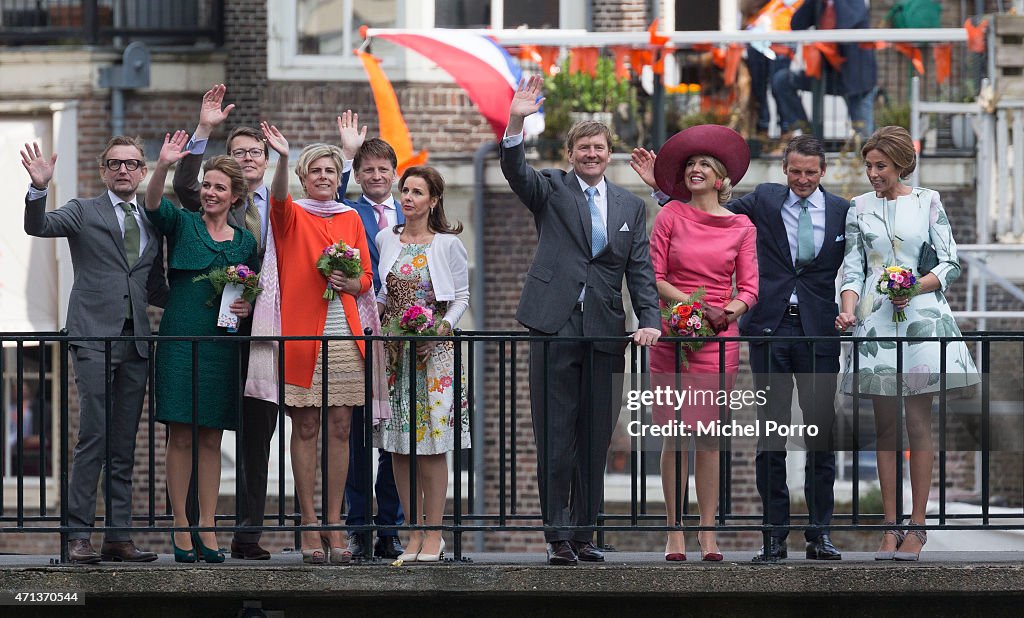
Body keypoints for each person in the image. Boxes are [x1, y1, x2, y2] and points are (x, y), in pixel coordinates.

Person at [632, 134, 849, 562]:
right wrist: (662, 189)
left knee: (819, 433)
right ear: (784, 170)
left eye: (811, 172)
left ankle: (818, 533)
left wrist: (726, 312)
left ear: (823, 173)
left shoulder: (845, 211)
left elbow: (859, 262)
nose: (802, 178)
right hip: (754, 330)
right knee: (766, 436)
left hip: (810, 331)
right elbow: (700, 218)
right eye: (795, 171)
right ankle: (770, 537)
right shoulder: (763, 203)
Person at [501, 75, 662, 566]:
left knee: (595, 437)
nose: (592, 154)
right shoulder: (549, 188)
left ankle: (585, 533)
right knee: (555, 435)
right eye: (583, 147)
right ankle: (557, 536)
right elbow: (515, 170)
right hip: (552, 325)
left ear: (609, 154)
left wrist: (649, 318)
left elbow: (640, 272)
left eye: (599, 147)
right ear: (570, 154)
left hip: (605, 330)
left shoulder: (631, 207)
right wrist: (515, 122)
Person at [836, 125, 979, 561]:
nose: (873, 173)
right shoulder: (857, 208)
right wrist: (847, 307)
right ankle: (889, 526)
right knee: (884, 429)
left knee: (918, 425)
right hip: (876, 323)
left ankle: (918, 526)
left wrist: (913, 287)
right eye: (869, 165)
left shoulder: (928, 201)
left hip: (922, 321)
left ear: (901, 164)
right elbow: (853, 266)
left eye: (880, 166)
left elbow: (951, 261)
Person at [21, 136, 164, 564]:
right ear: (103, 170)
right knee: (93, 438)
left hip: (136, 340)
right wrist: (39, 189)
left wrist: (213, 303)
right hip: (93, 337)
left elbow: (154, 286)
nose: (123, 170)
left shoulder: (152, 220)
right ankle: (77, 536)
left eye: (132, 163)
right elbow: (38, 226)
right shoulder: (84, 210)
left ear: (142, 171)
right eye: (114, 163)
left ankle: (118, 537)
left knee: (124, 443)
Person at [256, 124, 375, 564]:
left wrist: (352, 281)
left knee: (341, 429)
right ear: (304, 177)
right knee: (305, 428)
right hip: (303, 335)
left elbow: (366, 278)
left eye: (330, 170)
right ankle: (307, 523)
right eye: (315, 171)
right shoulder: (289, 214)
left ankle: (334, 523)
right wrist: (284, 157)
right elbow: (279, 198)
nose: (324, 176)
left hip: (345, 334)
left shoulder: (350, 217)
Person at [172, 84, 278, 561]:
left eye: (253, 152)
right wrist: (202, 132)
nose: (246, 158)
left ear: (262, 158)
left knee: (255, 436)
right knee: (197, 429)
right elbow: (181, 186)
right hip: (207, 335)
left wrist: (252, 307)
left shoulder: (277, 206)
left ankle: (247, 535)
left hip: (255, 338)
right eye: (237, 153)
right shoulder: (205, 204)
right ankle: (192, 528)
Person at [642, 125, 758, 562]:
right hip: (674, 333)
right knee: (674, 435)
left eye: (703, 164)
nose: (694, 169)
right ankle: (675, 531)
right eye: (690, 164)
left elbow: (749, 287)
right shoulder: (670, 214)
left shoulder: (742, 226)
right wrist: (693, 306)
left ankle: (707, 533)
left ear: (721, 178)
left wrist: (725, 313)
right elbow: (654, 278)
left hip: (717, 338)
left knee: (707, 437)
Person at [145, 132, 258, 563]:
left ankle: (208, 527)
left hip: (221, 345)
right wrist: (163, 165)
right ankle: (180, 526)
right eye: (207, 185)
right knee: (181, 434)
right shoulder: (184, 223)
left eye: (218, 188)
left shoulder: (245, 241)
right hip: (179, 339)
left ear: (234, 197)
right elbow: (153, 205)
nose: (210, 192)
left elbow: (249, 292)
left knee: (212, 437)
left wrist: (247, 305)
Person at [373, 166, 470, 563]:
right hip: (395, 355)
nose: (408, 197)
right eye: (405, 191)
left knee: (431, 448)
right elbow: (383, 292)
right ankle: (410, 531)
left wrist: (441, 329)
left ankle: (434, 533)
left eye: (417, 192)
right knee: (398, 446)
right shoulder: (385, 238)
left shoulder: (447, 244)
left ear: (433, 200)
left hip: (434, 356)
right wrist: (371, 320)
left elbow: (461, 297)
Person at [334, 112, 405, 560]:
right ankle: (357, 524)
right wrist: (344, 153)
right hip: (360, 330)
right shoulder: (349, 211)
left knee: (396, 434)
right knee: (359, 435)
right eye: (367, 170)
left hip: (400, 334)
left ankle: (390, 528)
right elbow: (326, 201)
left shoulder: (410, 209)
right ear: (358, 175)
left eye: (383, 169)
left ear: (395, 175)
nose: (376, 176)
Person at [771, 0, 878, 139]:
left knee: (865, 137)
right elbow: (796, 24)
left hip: (856, 76)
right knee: (782, 80)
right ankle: (808, 136)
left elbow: (846, 23)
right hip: (826, 74)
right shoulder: (819, 3)